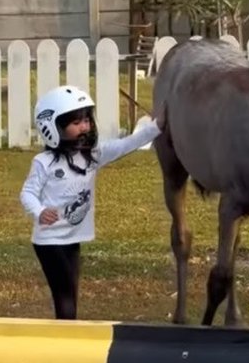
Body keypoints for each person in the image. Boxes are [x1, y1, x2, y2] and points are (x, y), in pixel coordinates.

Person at [20, 84, 165, 320]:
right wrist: (39, 210)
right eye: (76, 123)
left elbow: (127, 144)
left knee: (71, 296)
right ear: (52, 127)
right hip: (49, 240)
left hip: (73, 237)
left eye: (87, 120)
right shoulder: (43, 162)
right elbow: (27, 192)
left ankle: (68, 337)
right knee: (65, 296)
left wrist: (157, 126)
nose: (85, 126)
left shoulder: (92, 156)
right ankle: (67, 343)